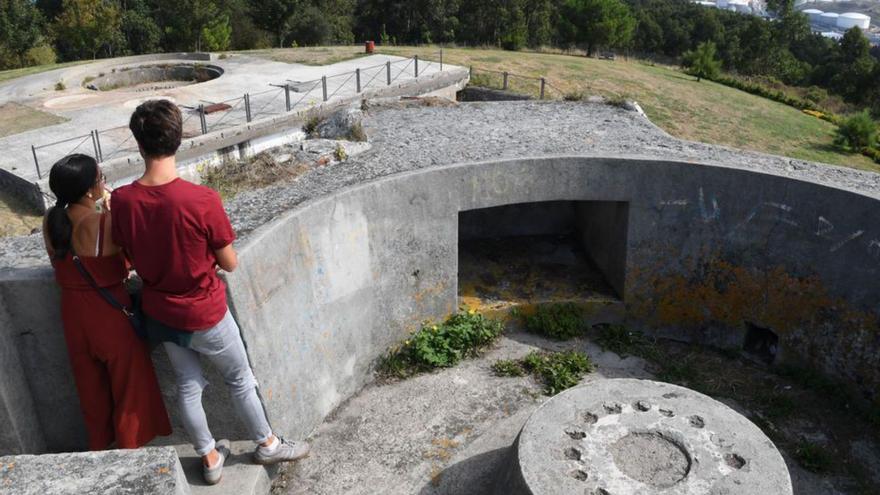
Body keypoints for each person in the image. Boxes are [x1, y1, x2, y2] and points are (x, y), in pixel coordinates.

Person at [110, 99, 309, 485]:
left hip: (159, 311)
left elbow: (127, 256)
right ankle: (267, 442)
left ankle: (209, 456)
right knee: (239, 378)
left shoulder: (122, 200)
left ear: (138, 143)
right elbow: (230, 262)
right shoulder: (201, 199)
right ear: (178, 139)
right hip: (204, 311)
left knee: (188, 385)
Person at [42, 153, 172, 451]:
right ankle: (129, 450)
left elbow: (57, 260)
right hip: (109, 314)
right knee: (130, 387)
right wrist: (113, 208)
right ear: (90, 189)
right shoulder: (104, 223)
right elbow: (131, 260)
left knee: (91, 391)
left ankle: (99, 449)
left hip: (73, 314)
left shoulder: (51, 220)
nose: (104, 182)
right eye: (101, 178)